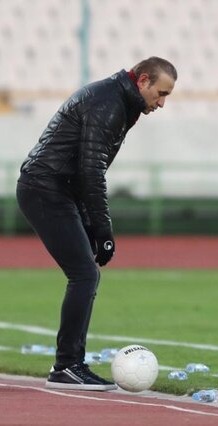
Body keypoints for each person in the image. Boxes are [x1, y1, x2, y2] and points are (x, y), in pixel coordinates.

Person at [16, 57, 177, 391]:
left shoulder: (118, 98)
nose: (161, 103)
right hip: (46, 188)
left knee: (85, 274)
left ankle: (69, 364)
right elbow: (92, 170)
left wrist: (92, 223)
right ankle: (67, 366)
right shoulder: (109, 103)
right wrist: (102, 228)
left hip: (56, 188)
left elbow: (86, 169)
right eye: (160, 93)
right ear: (143, 80)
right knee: (85, 274)